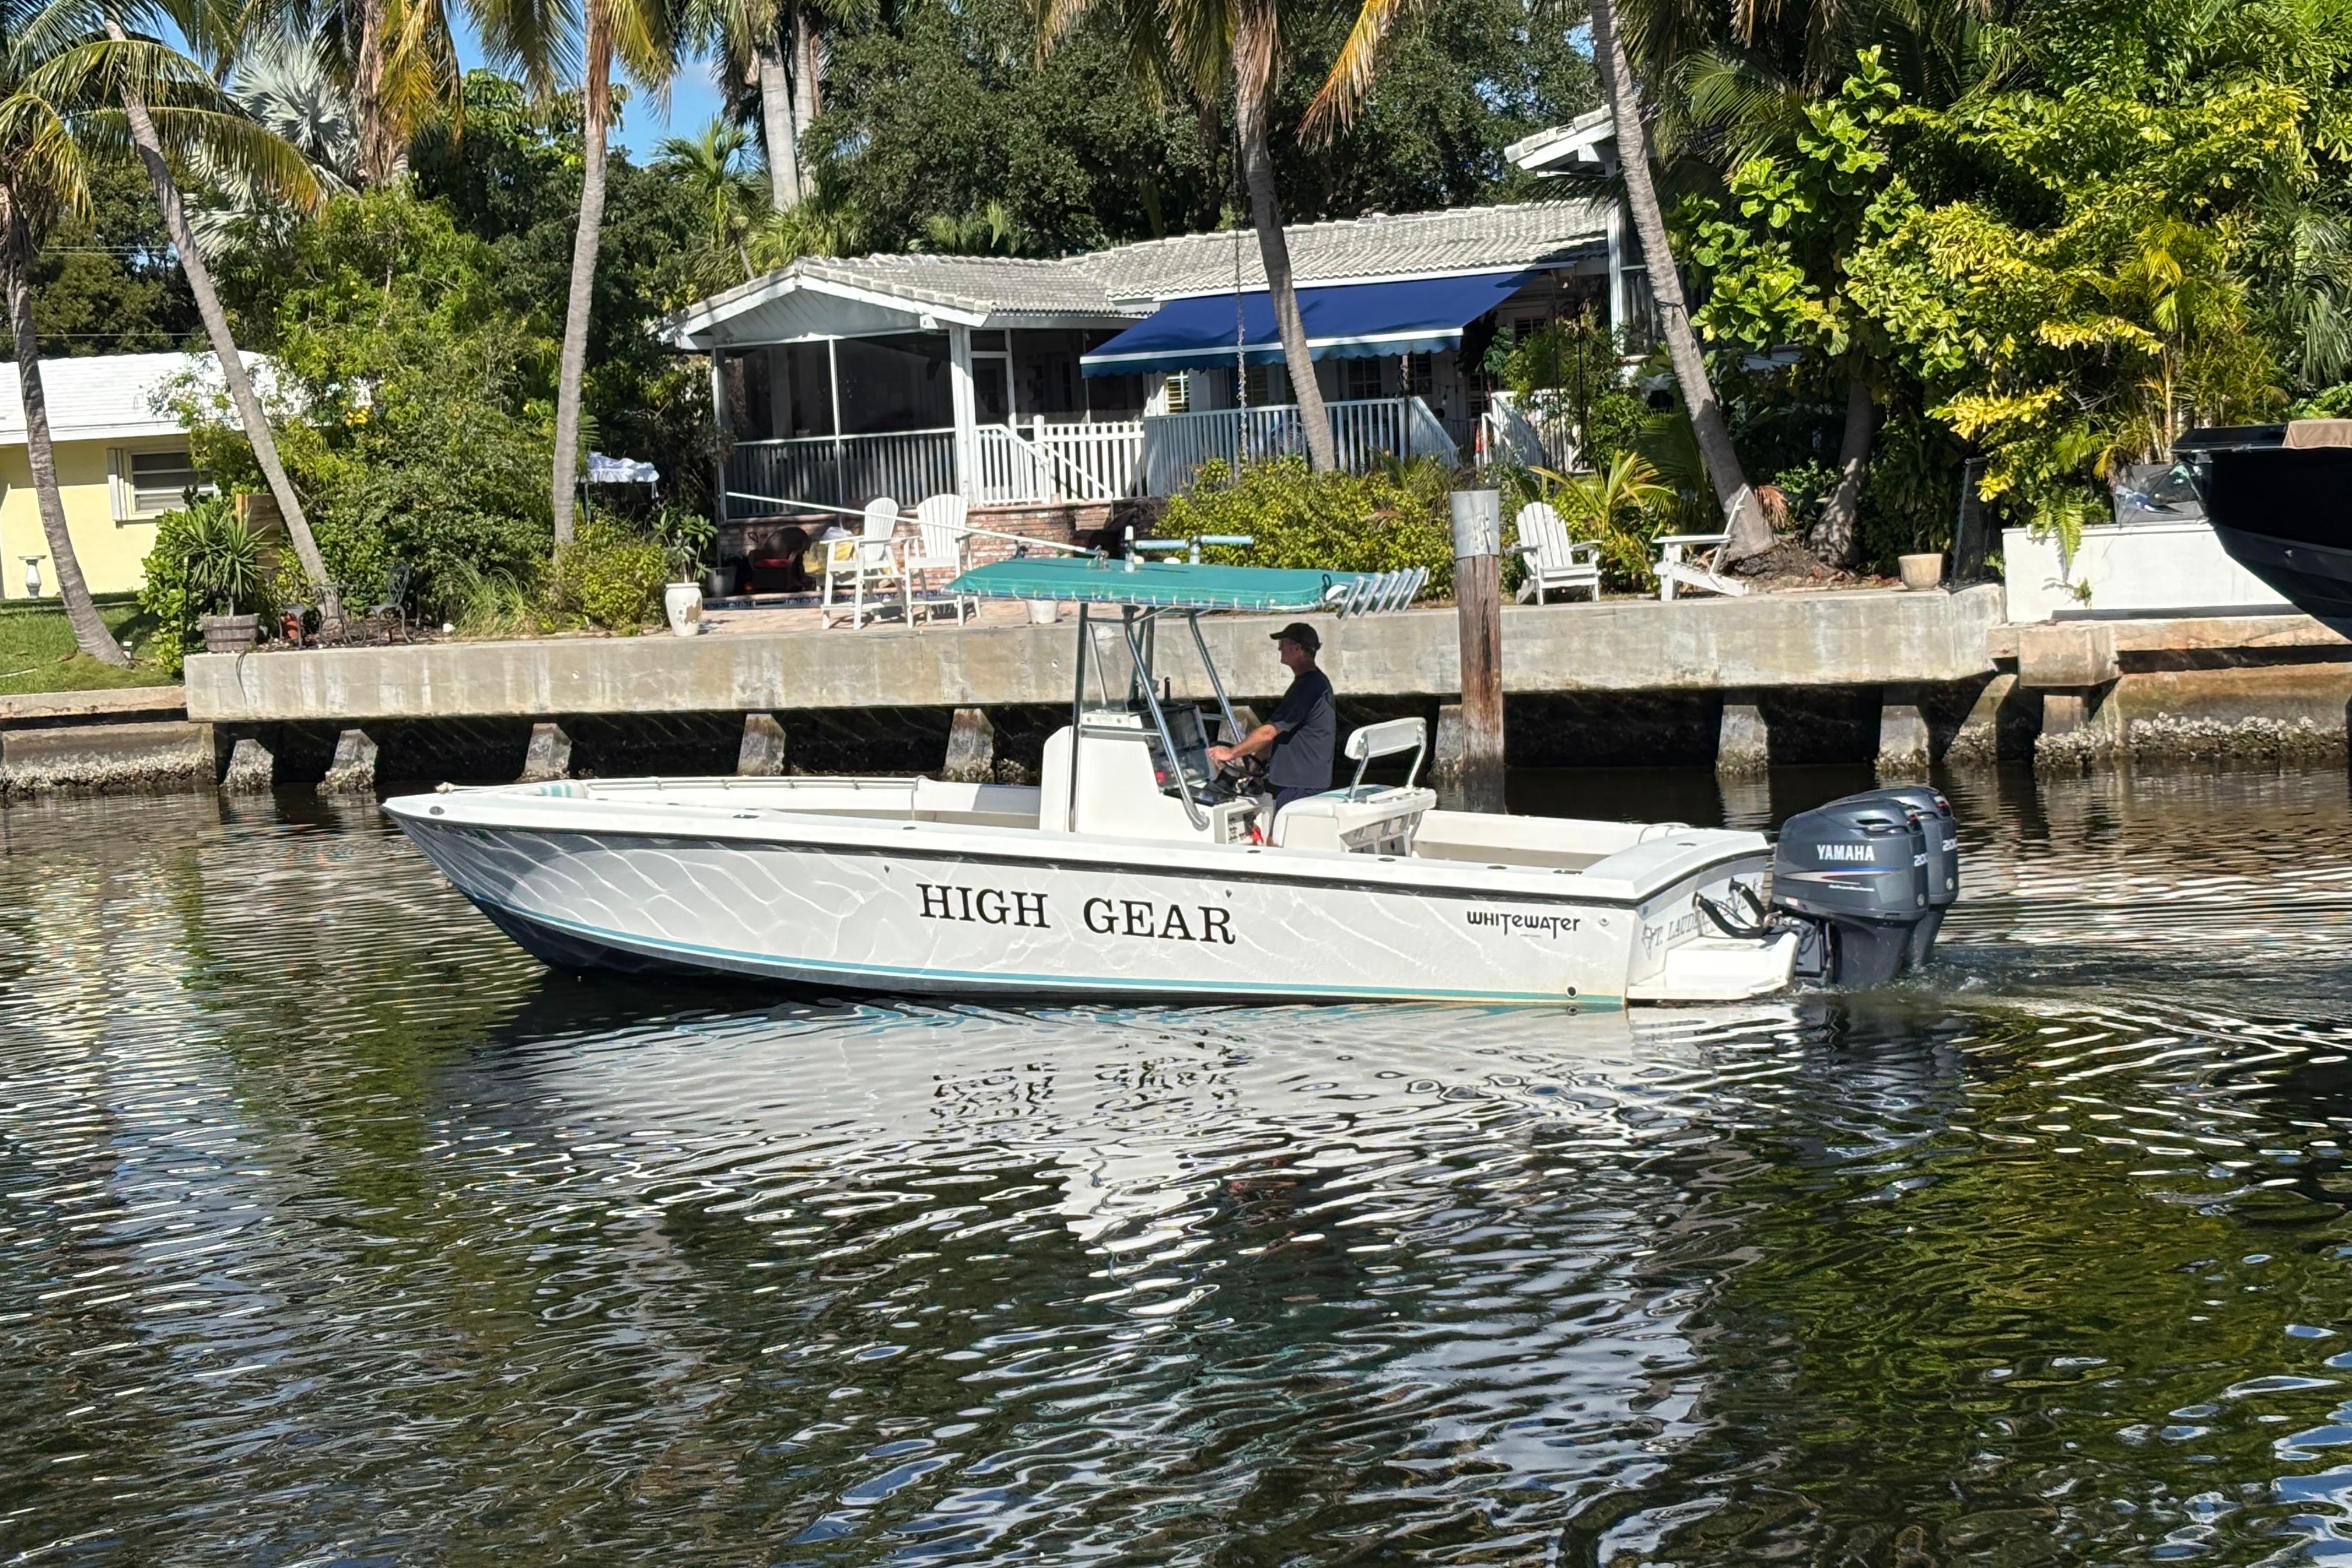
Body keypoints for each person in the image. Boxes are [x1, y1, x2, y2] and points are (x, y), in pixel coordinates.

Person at [1207, 622, 1334, 817]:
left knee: (1285, 843)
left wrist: (1231, 753)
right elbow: (1286, 731)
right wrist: (1257, 761)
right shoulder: (1312, 683)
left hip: (1300, 787)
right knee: (1276, 841)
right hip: (1300, 783)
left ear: (1298, 649)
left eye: (1283, 644)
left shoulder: (1308, 687)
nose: (1279, 649)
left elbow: (1269, 731)